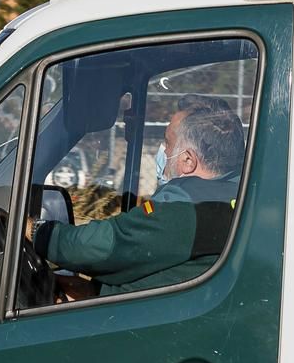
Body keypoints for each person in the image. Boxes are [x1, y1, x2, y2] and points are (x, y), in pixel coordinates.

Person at [29, 95, 246, 298]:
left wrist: (34, 231)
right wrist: (90, 290)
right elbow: (169, 280)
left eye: (167, 143)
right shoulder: (241, 197)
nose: (163, 151)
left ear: (188, 161)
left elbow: (102, 248)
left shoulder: (186, 209)